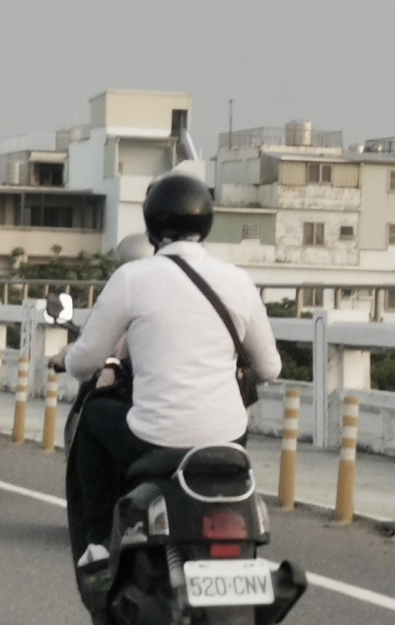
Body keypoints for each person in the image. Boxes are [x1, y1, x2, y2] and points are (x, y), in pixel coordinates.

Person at [62, 173, 281, 569]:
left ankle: (96, 542)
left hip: (154, 438)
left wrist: (71, 358)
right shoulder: (238, 280)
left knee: (93, 416)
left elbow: (84, 362)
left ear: (151, 226)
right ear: (207, 224)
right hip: (228, 436)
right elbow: (270, 367)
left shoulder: (132, 277)